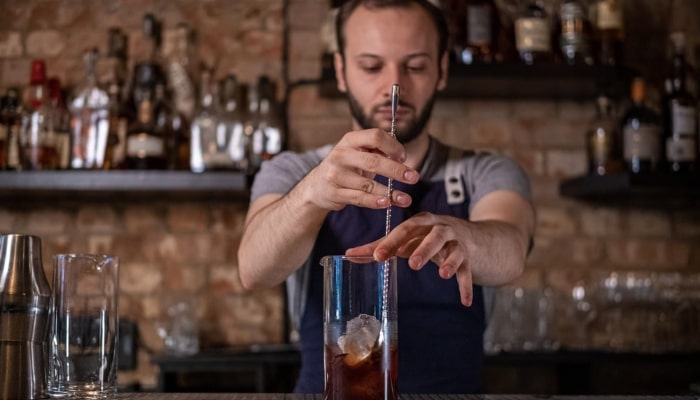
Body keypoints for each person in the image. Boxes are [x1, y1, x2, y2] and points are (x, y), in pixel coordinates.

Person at [238, 0, 535, 394]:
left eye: (414, 66)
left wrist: (460, 235)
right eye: (371, 67)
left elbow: (510, 250)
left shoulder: (484, 171)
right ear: (341, 71)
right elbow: (254, 269)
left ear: (442, 70)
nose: (394, 87)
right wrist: (311, 194)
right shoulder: (294, 173)